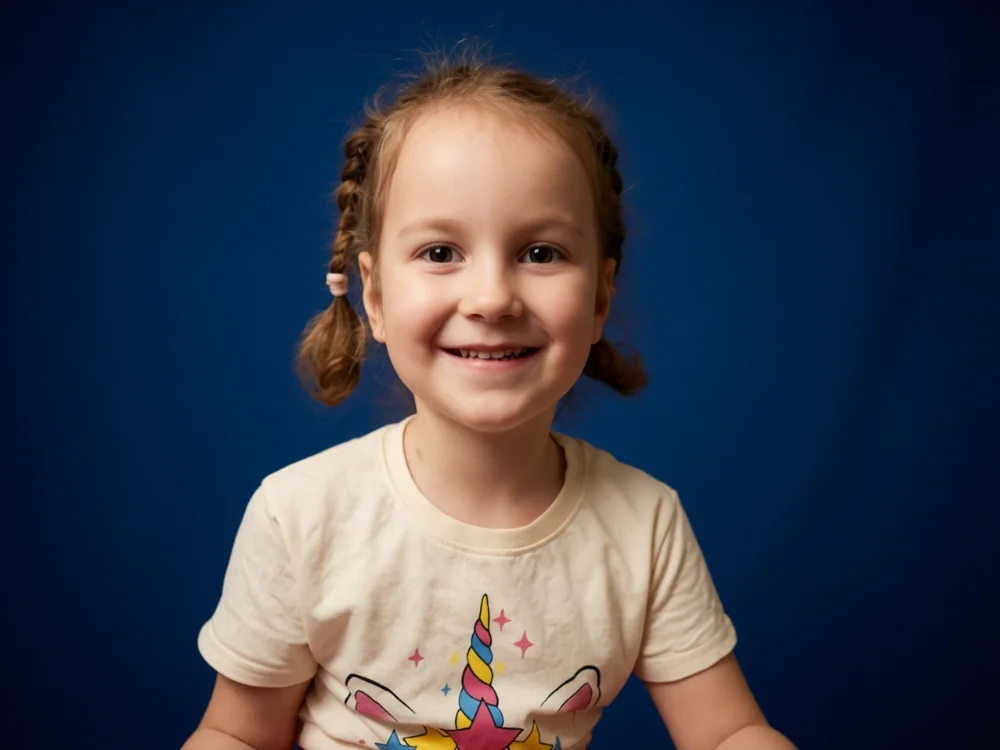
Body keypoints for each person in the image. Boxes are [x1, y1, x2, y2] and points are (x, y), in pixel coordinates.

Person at [183, 51, 797, 750]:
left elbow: (727, 732)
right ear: (375, 297)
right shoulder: (299, 517)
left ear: (600, 298)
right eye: (440, 253)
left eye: (540, 253)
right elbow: (236, 734)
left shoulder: (645, 526)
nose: (492, 299)